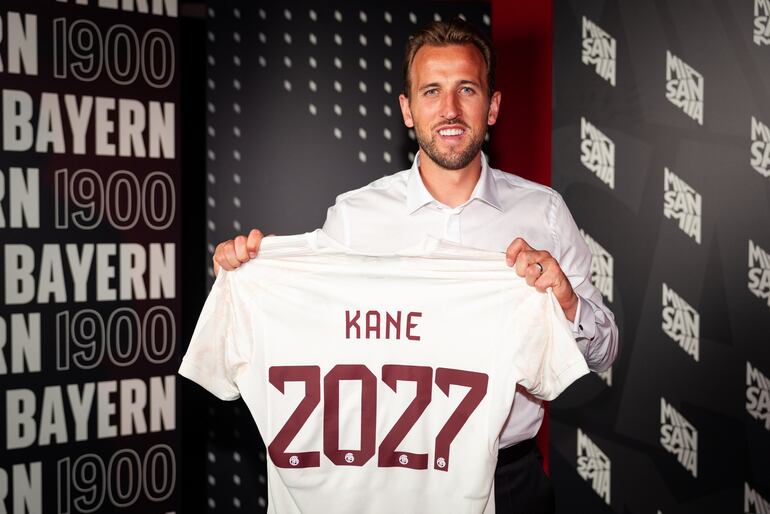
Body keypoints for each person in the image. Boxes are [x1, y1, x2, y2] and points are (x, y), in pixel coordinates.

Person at [212, 18, 618, 514]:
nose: (449, 109)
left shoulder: (545, 214)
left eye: (466, 89)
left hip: (508, 478)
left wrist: (566, 302)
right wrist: (249, 277)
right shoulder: (354, 217)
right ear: (408, 109)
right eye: (431, 91)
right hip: (387, 481)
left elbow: (604, 352)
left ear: (492, 106)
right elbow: (307, 323)